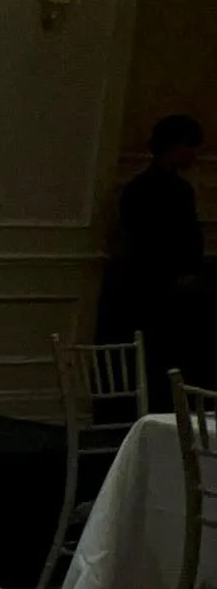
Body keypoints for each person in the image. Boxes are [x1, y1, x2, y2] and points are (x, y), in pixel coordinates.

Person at [102, 115, 212, 390]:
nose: (194, 155)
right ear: (177, 146)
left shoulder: (137, 187)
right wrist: (185, 273)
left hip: (142, 284)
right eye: (191, 147)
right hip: (168, 288)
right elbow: (181, 237)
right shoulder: (175, 189)